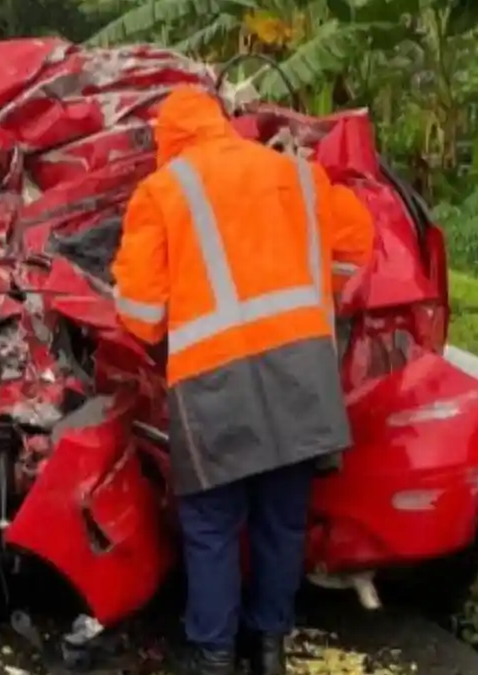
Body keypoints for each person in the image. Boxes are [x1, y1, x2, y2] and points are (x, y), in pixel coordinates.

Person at [111, 86, 374, 675]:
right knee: (282, 518)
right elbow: (355, 250)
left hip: (214, 382)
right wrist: (307, 294)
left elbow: (141, 314)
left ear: (168, 141)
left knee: (212, 525)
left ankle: (214, 655)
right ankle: (271, 649)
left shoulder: (163, 191)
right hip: (303, 375)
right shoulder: (299, 176)